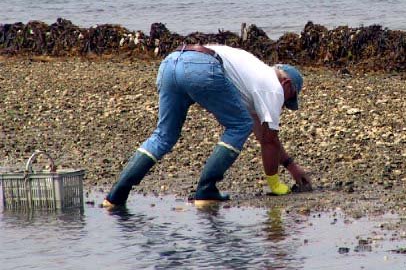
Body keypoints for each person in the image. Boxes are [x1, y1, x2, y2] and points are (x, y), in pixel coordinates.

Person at [102, 43, 312, 209]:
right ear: (286, 85)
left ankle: (115, 197)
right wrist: (274, 183)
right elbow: (269, 139)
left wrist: (291, 166)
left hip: (171, 62)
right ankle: (206, 189)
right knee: (239, 126)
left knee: (163, 136)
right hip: (202, 66)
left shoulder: (251, 76)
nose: (283, 106)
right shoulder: (273, 88)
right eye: (288, 100)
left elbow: (263, 134)